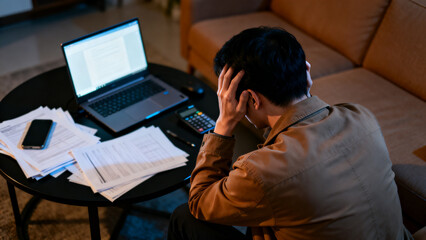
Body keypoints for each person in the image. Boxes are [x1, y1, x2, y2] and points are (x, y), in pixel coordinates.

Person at [168, 27, 411, 240]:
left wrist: (223, 125)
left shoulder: (260, 171)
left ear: (251, 98)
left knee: (184, 218)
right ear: (304, 72)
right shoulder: (362, 117)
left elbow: (199, 201)